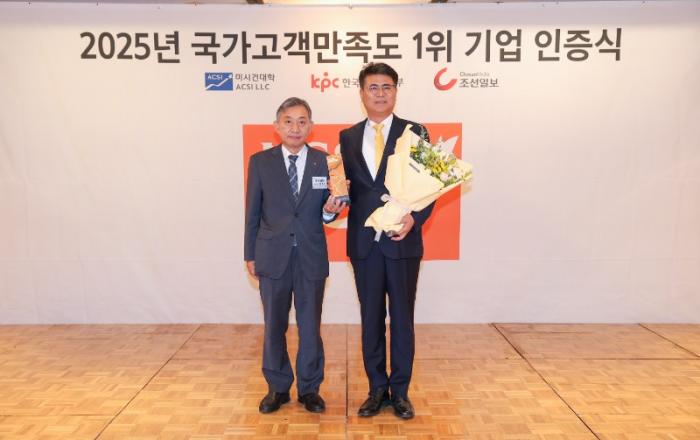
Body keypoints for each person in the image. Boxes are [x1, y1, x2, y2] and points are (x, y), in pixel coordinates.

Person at [340, 63, 434, 420]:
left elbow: (432, 183)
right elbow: (347, 188)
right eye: (373, 87)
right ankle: (376, 389)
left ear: (396, 91)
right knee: (371, 319)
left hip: (401, 241)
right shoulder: (347, 137)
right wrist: (335, 199)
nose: (380, 94)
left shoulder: (415, 131)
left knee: (402, 319)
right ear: (361, 93)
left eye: (387, 87)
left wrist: (415, 219)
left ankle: (401, 392)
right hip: (364, 243)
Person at [244, 97, 346, 414]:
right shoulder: (260, 162)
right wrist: (250, 254)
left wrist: (331, 210)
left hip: (310, 256)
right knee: (274, 326)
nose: (295, 128)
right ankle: (277, 388)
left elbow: (329, 211)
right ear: (277, 126)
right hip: (271, 255)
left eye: (302, 121)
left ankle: (309, 388)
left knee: (310, 326)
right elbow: (252, 212)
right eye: (288, 121)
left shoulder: (326, 162)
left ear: (311, 126)